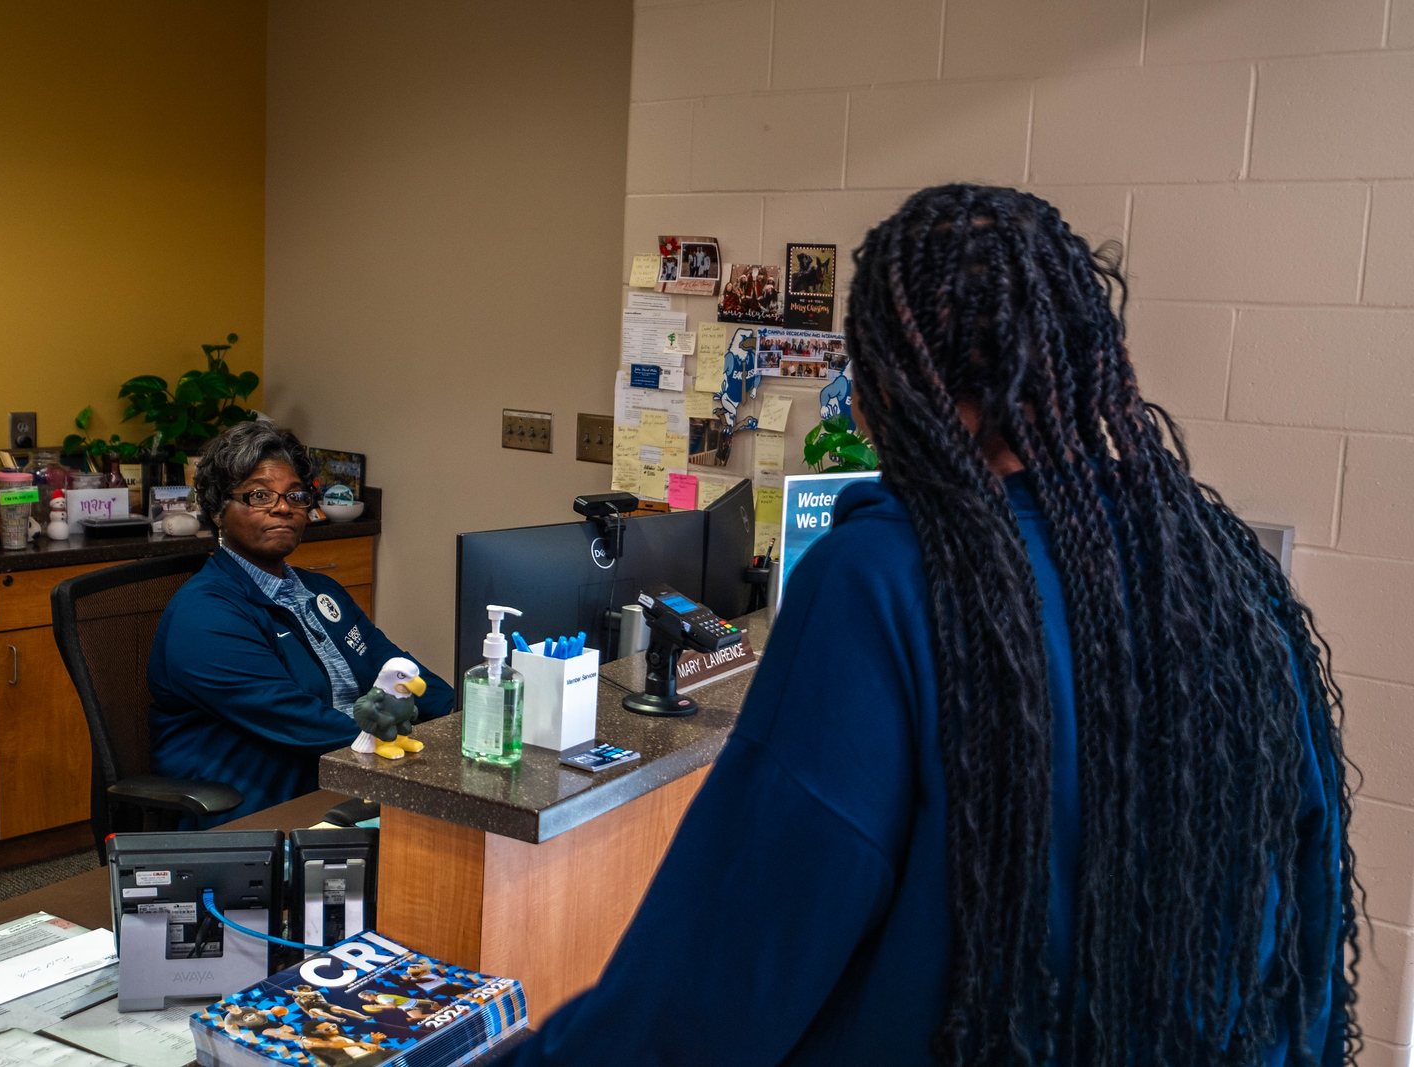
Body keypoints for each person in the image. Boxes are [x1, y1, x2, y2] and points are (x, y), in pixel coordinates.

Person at [496, 185, 1355, 1066]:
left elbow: (710, 992)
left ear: (883, 395)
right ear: (1084, 362)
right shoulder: (1221, 569)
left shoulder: (884, 582)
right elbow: (1310, 934)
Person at [149, 422, 453, 825]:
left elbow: (392, 666)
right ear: (218, 510)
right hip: (271, 810)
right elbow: (296, 720)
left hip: (352, 779)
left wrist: (464, 721)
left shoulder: (321, 590)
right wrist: (413, 753)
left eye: (295, 495)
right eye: (259, 495)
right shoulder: (205, 615)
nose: (283, 507)